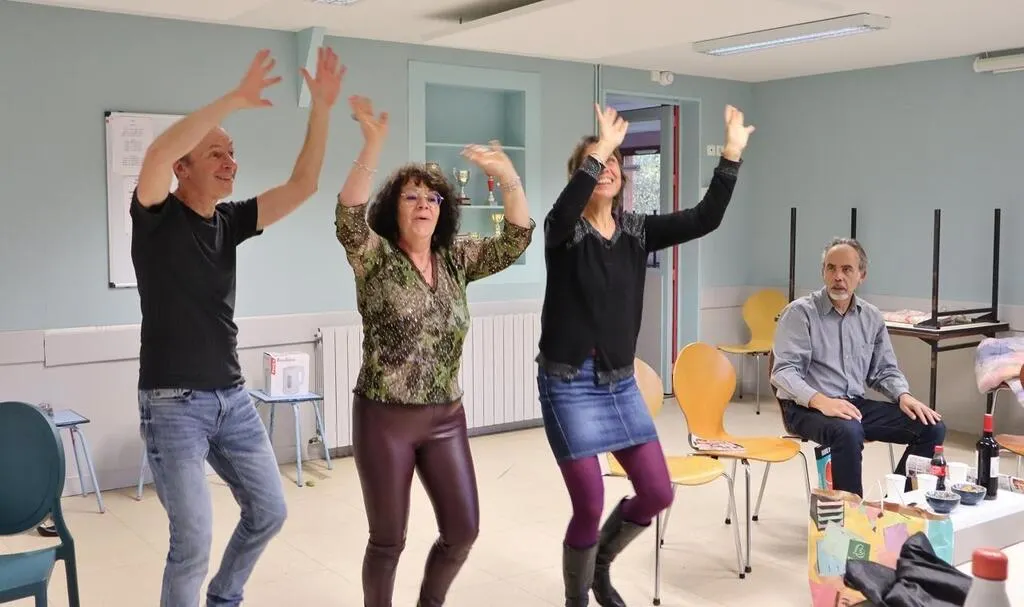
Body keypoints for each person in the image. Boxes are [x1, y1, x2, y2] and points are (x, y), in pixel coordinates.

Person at [131, 47, 344, 607]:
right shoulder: (154, 218)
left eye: (233, 153)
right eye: (216, 153)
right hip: (172, 403)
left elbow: (303, 184)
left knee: (269, 511)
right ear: (183, 168)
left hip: (232, 397)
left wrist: (322, 108)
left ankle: (224, 597)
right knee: (192, 544)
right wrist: (233, 99)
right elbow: (156, 152)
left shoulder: (230, 221)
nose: (230, 162)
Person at [537, 103, 753, 607]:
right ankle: (576, 600)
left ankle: (600, 565)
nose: (607, 167)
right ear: (579, 176)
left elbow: (706, 217)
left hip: (618, 383)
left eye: (615, 161)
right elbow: (562, 214)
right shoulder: (563, 233)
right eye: (596, 161)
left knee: (658, 491)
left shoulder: (636, 231)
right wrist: (602, 147)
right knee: (589, 501)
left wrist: (731, 154)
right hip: (567, 384)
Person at [334, 95, 535, 607]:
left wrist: (508, 177)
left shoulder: (456, 259)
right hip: (384, 418)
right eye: (411, 197)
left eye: (432, 198)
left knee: (463, 530)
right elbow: (349, 217)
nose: (424, 204)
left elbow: (515, 240)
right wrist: (372, 146)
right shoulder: (375, 258)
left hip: (445, 416)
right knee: (388, 540)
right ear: (394, 208)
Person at [770, 237, 946, 497]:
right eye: (831, 268)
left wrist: (903, 395)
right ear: (823, 272)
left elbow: (884, 369)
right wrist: (821, 401)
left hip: (852, 405)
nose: (838, 276)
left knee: (932, 427)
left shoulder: (871, 316)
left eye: (847, 269)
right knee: (848, 431)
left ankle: (898, 502)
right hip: (805, 408)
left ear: (861, 275)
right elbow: (783, 372)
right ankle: (851, 514)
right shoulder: (799, 313)